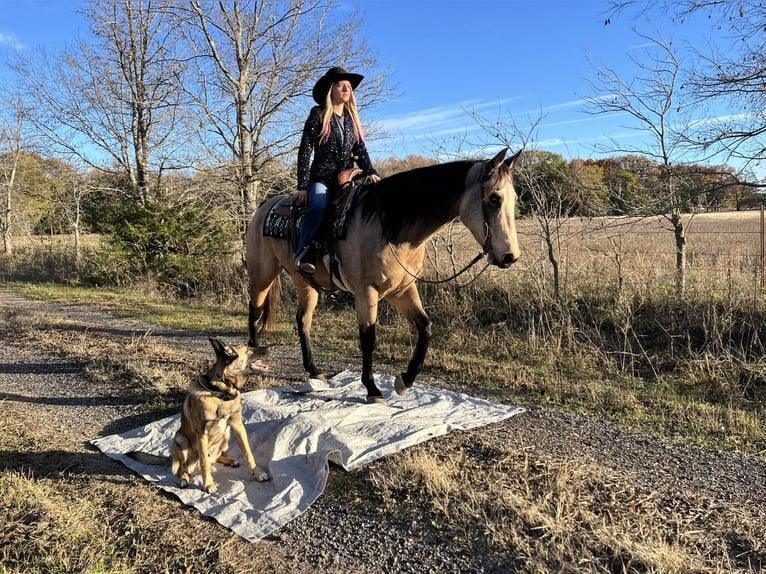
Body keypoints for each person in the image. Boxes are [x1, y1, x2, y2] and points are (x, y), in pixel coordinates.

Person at [294, 66, 381, 274]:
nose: (346, 89)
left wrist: (370, 171)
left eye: (349, 86)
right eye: (341, 85)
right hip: (322, 178)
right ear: (330, 89)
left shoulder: (352, 120)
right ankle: (303, 252)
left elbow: (360, 150)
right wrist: (303, 185)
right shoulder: (318, 114)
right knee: (318, 206)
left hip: (347, 178)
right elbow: (305, 150)